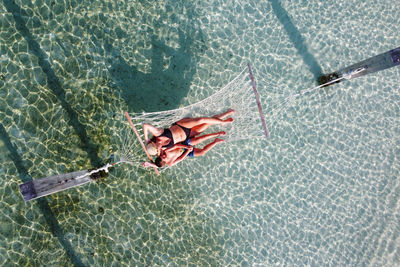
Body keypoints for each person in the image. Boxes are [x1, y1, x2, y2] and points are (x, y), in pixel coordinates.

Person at [143, 109, 235, 156]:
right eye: (158, 151)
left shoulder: (158, 134)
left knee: (201, 120)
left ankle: (222, 122)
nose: (159, 150)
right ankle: (226, 113)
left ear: (154, 143)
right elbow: (164, 162)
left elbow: (145, 125)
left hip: (181, 125)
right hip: (188, 134)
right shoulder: (163, 148)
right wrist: (151, 165)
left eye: (157, 149)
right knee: (207, 124)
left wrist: (146, 139)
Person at [142, 133, 226, 168]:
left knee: (200, 139)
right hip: (186, 152)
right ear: (164, 161)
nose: (162, 155)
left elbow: (177, 145)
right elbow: (181, 158)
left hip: (184, 144)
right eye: (163, 157)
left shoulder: (165, 151)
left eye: (161, 156)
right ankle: (216, 141)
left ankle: (216, 134)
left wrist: (187, 147)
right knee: (202, 152)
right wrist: (188, 151)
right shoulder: (170, 163)